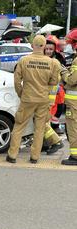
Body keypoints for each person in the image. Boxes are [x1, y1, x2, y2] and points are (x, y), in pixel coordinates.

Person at [6, 35, 60, 164]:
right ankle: (34, 157)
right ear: (44, 46)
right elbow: (54, 82)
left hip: (27, 98)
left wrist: (21, 93)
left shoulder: (24, 60)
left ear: (32, 45)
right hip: (43, 99)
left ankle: (12, 155)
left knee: (19, 126)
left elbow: (17, 80)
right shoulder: (52, 63)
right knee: (40, 129)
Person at [42, 35, 64, 154]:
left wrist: (50, 100)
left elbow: (55, 82)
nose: (49, 51)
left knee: (45, 121)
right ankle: (46, 143)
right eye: (47, 49)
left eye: (51, 49)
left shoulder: (55, 62)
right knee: (45, 121)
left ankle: (54, 142)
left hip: (52, 97)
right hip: (46, 96)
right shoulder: (43, 60)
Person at [60, 28, 77, 165]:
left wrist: (64, 72)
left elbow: (72, 80)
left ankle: (75, 156)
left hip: (74, 103)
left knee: (73, 128)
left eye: (72, 43)